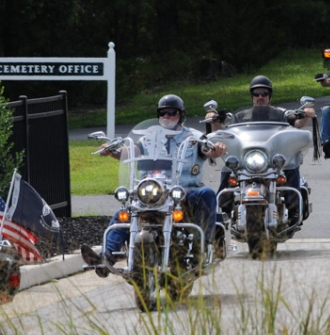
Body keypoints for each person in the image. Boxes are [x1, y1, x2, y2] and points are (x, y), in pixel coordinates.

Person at [81, 94, 228, 277]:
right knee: (124, 213)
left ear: (181, 115)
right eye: (162, 113)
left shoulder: (194, 137)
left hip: (183, 192)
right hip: (152, 192)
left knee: (207, 193)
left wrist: (217, 149)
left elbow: (208, 150)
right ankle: (106, 259)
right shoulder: (148, 137)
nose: (166, 116)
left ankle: (202, 248)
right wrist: (112, 150)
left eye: (171, 112)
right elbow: (132, 151)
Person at [207, 75, 315, 219]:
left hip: (274, 159)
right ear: (252, 96)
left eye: (264, 93)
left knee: (290, 165)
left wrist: (306, 113)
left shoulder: (282, 114)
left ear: (269, 96)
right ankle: (222, 212)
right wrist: (214, 120)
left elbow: (298, 123)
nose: (260, 97)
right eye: (256, 93)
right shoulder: (240, 117)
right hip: (248, 159)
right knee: (230, 166)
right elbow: (222, 130)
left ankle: (294, 210)